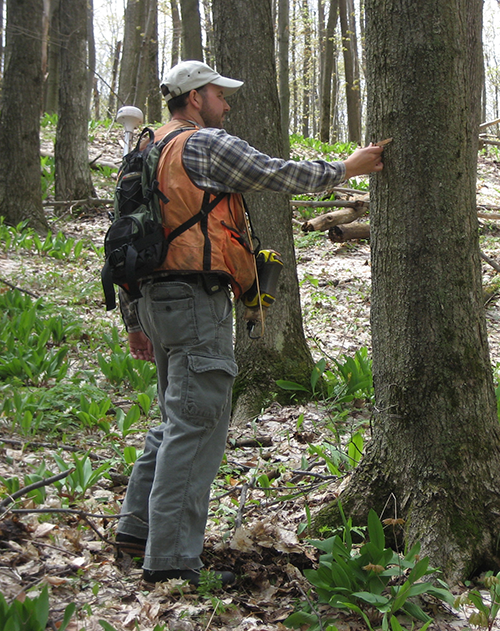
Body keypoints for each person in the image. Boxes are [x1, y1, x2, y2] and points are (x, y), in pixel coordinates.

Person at [113, 60, 383, 587]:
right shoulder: (203, 144)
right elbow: (275, 173)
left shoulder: (146, 148)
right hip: (195, 300)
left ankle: (137, 530)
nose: (226, 105)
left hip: (155, 301)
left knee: (175, 418)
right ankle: (169, 562)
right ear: (195, 98)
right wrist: (347, 168)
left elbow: (122, 237)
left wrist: (133, 318)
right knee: (198, 425)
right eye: (219, 94)